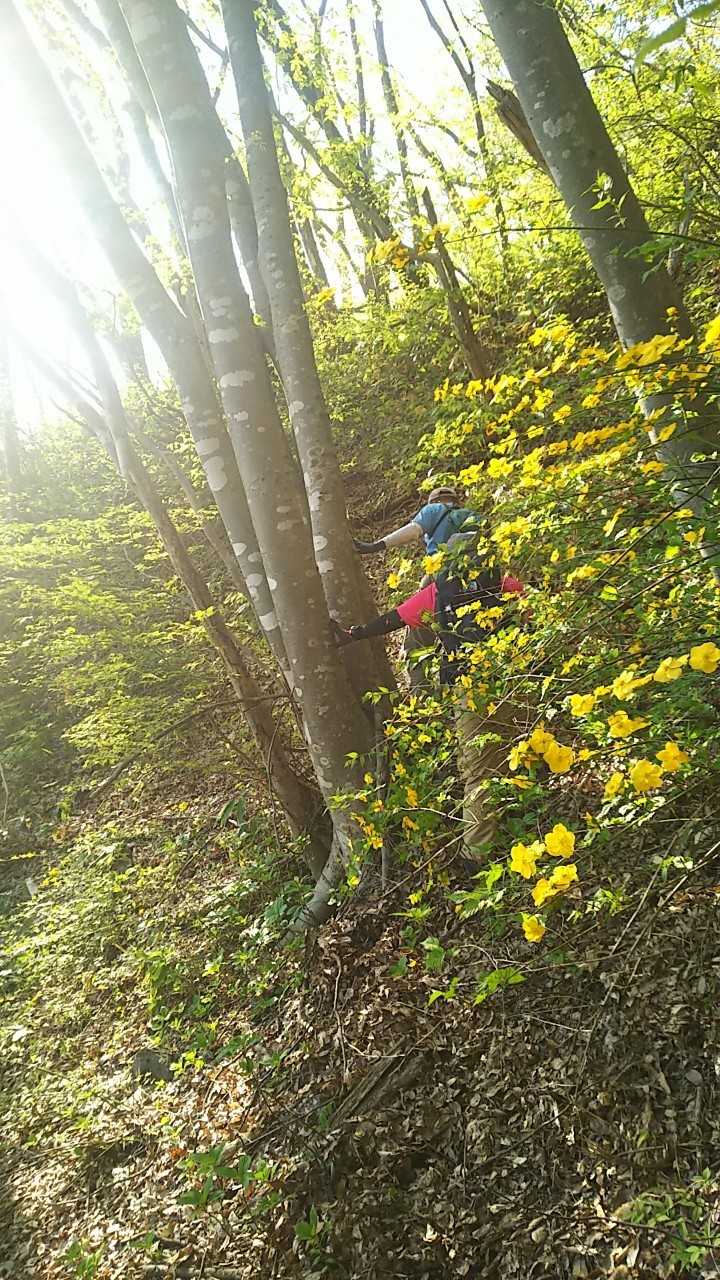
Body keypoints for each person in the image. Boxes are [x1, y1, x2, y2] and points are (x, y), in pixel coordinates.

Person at [353, 485, 480, 557]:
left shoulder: (433, 509)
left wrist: (375, 546)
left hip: (447, 569)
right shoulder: (470, 514)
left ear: (434, 501)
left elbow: (413, 531)